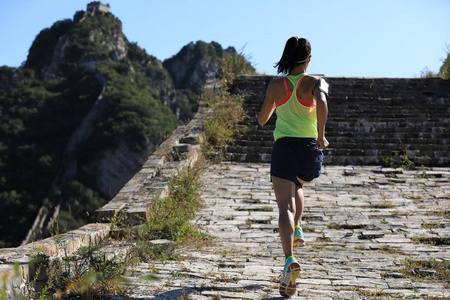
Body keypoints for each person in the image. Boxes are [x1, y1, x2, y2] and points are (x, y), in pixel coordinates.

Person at [258, 36, 329, 298]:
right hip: (310, 150)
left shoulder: (277, 85)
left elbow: (263, 120)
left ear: (287, 57)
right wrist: (321, 135)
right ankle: (298, 227)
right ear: (308, 59)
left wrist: (273, 104)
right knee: (298, 183)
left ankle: (289, 259)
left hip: (285, 148)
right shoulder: (316, 82)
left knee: (284, 205)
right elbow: (322, 102)